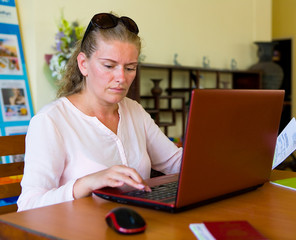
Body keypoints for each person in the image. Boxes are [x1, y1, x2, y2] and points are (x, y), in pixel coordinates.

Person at [17, 13, 182, 211]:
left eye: (130, 68)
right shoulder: (50, 121)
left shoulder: (134, 110)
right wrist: (86, 183)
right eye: (109, 66)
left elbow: (176, 163)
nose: (121, 77)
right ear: (83, 64)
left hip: (136, 223)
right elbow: (28, 206)